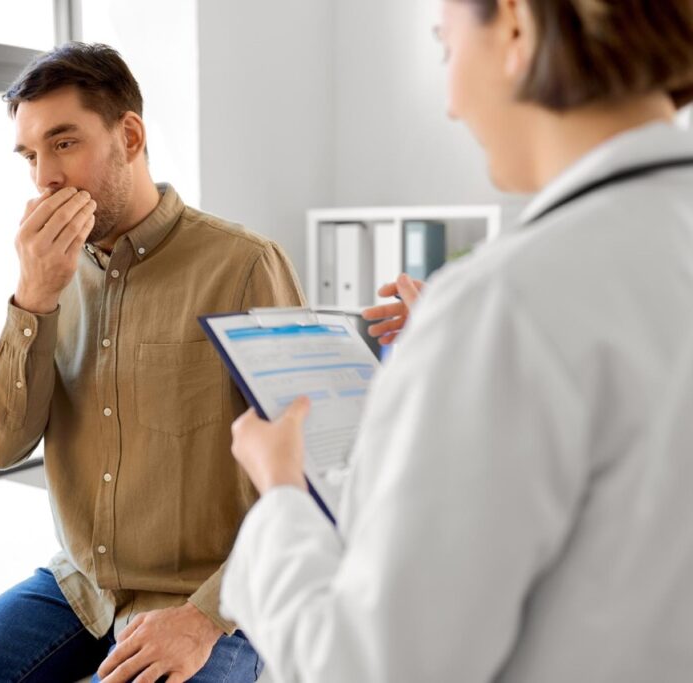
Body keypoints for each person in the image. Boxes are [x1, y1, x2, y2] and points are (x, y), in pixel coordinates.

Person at [220, 0, 693, 680]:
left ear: (515, 25)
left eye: (446, 47)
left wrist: (281, 490)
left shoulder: (503, 305)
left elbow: (365, 667)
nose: (449, 104)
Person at [0, 43, 303, 682]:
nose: (44, 175)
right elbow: (0, 444)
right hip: (78, 587)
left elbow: (311, 477)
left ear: (129, 135)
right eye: (30, 154)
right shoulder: (49, 274)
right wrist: (33, 298)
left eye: (63, 143)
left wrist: (205, 617)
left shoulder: (244, 267)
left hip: (209, 601)